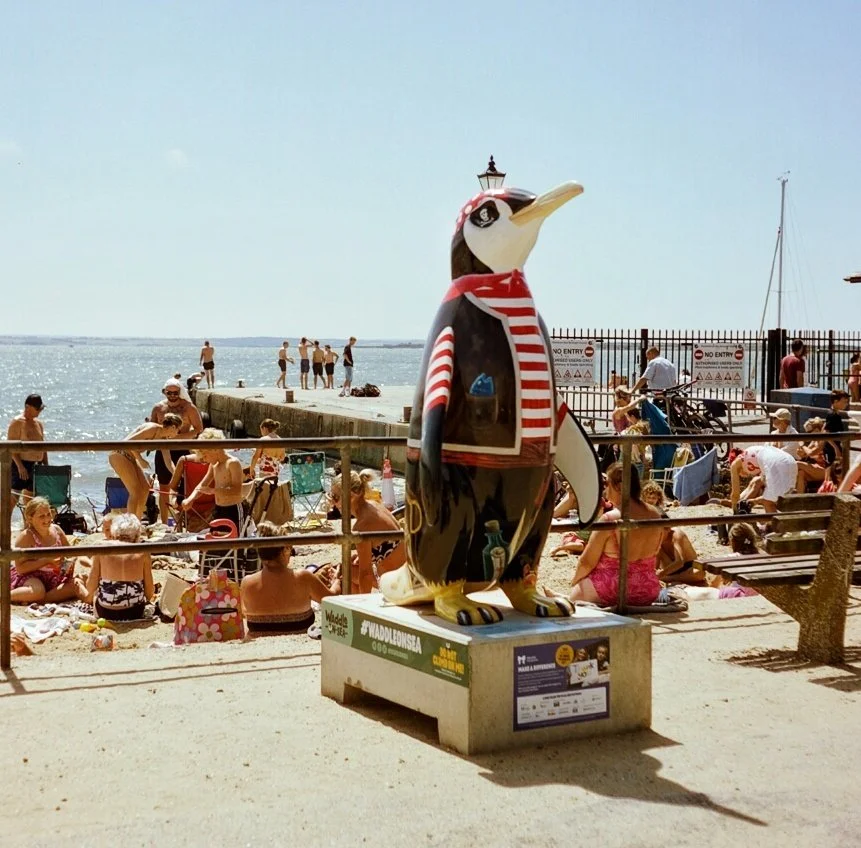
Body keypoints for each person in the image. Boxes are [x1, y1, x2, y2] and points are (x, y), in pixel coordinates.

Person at [546, 463, 663, 607]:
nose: (604, 489)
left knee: (578, 592)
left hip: (613, 589)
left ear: (619, 486)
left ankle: (567, 598)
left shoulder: (610, 519)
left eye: (606, 483)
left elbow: (586, 562)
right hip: (648, 589)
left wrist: (575, 584)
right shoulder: (656, 515)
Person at [241, 521, 341, 635]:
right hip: (300, 634)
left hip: (259, 641)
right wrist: (337, 580)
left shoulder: (247, 582)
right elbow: (332, 600)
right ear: (285, 550)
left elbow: (244, 612)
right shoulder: (303, 577)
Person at [330, 470, 405, 593]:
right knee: (348, 566)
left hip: (396, 586)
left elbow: (366, 574)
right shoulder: (374, 505)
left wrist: (364, 603)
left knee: (346, 572)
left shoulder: (362, 526)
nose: (333, 502)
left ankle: (356, 607)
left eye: (335, 497)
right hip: (406, 575)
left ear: (351, 496)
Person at [10, 497, 87, 604]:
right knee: (37, 591)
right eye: (41, 516)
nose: (47, 519)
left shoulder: (57, 530)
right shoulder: (26, 536)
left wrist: (68, 563)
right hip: (33, 576)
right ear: (30, 518)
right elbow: (20, 569)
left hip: (56, 575)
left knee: (81, 582)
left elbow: (70, 553)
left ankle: (40, 599)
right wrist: (46, 560)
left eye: (48, 514)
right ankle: (5, 596)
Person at [108, 414, 183, 519]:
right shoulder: (152, 428)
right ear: (173, 427)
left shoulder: (163, 439)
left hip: (131, 457)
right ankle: (130, 523)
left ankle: (137, 521)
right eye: (178, 430)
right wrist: (140, 459)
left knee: (145, 488)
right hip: (119, 454)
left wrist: (178, 475)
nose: (177, 433)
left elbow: (168, 462)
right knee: (135, 491)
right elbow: (128, 442)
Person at [150, 379, 204, 523]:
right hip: (163, 451)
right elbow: (152, 430)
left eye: (175, 392)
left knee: (184, 487)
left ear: (180, 392)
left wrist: (178, 437)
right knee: (164, 487)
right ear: (164, 392)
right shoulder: (158, 408)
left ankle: (183, 519)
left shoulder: (188, 408)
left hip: (182, 449)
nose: (173, 395)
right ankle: (164, 522)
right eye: (169, 393)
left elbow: (199, 429)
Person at [84, 513, 154, 621]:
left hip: (105, 612)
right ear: (137, 534)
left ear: (114, 531)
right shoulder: (143, 552)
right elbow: (149, 594)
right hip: (135, 612)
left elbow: (90, 588)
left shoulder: (102, 548)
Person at [181, 428, 245, 532]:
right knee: (216, 541)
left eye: (205, 455)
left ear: (215, 449)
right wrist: (190, 499)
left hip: (232, 509)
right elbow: (202, 484)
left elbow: (237, 490)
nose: (204, 460)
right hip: (218, 509)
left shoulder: (232, 463)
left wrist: (213, 491)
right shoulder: (214, 465)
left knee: (233, 542)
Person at [7, 394, 47, 517]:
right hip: (21, 464)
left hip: (36, 465)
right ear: (27, 407)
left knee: (30, 503)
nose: (39, 412)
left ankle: (27, 528)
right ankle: (3, 528)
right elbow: (11, 446)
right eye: (37, 409)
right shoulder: (17, 422)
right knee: (12, 500)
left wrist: (46, 464)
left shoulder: (38, 423)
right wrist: (20, 466)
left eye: (41, 409)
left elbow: (44, 446)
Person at [731, 444, 797, 513]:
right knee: (784, 496)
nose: (742, 476)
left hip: (775, 463)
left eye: (740, 474)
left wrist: (735, 512)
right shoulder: (755, 456)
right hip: (790, 461)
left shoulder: (735, 464)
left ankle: (774, 523)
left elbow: (735, 495)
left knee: (768, 503)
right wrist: (755, 501)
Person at [795, 417, 829, 492]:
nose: (808, 434)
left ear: (817, 430)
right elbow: (805, 455)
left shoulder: (823, 441)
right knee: (801, 473)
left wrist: (803, 445)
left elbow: (811, 453)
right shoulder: (814, 440)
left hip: (826, 469)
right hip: (817, 467)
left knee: (797, 464)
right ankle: (798, 499)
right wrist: (800, 452)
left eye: (809, 432)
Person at [823, 389, 851, 466]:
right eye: (844, 402)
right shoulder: (832, 415)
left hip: (834, 447)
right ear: (835, 401)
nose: (846, 404)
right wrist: (836, 448)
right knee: (830, 473)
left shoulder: (836, 414)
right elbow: (826, 433)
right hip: (831, 450)